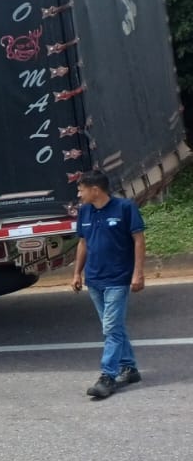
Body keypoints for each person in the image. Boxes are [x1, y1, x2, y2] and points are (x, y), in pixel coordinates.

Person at [72, 170, 148, 400]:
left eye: (81, 189)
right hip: (94, 279)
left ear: (95, 189)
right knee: (114, 328)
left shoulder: (125, 208)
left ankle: (107, 376)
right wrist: (77, 273)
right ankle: (130, 368)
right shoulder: (84, 211)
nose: (79, 194)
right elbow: (83, 243)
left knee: (111, 329)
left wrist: (138, 273)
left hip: (118, 278)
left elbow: (139, 240)